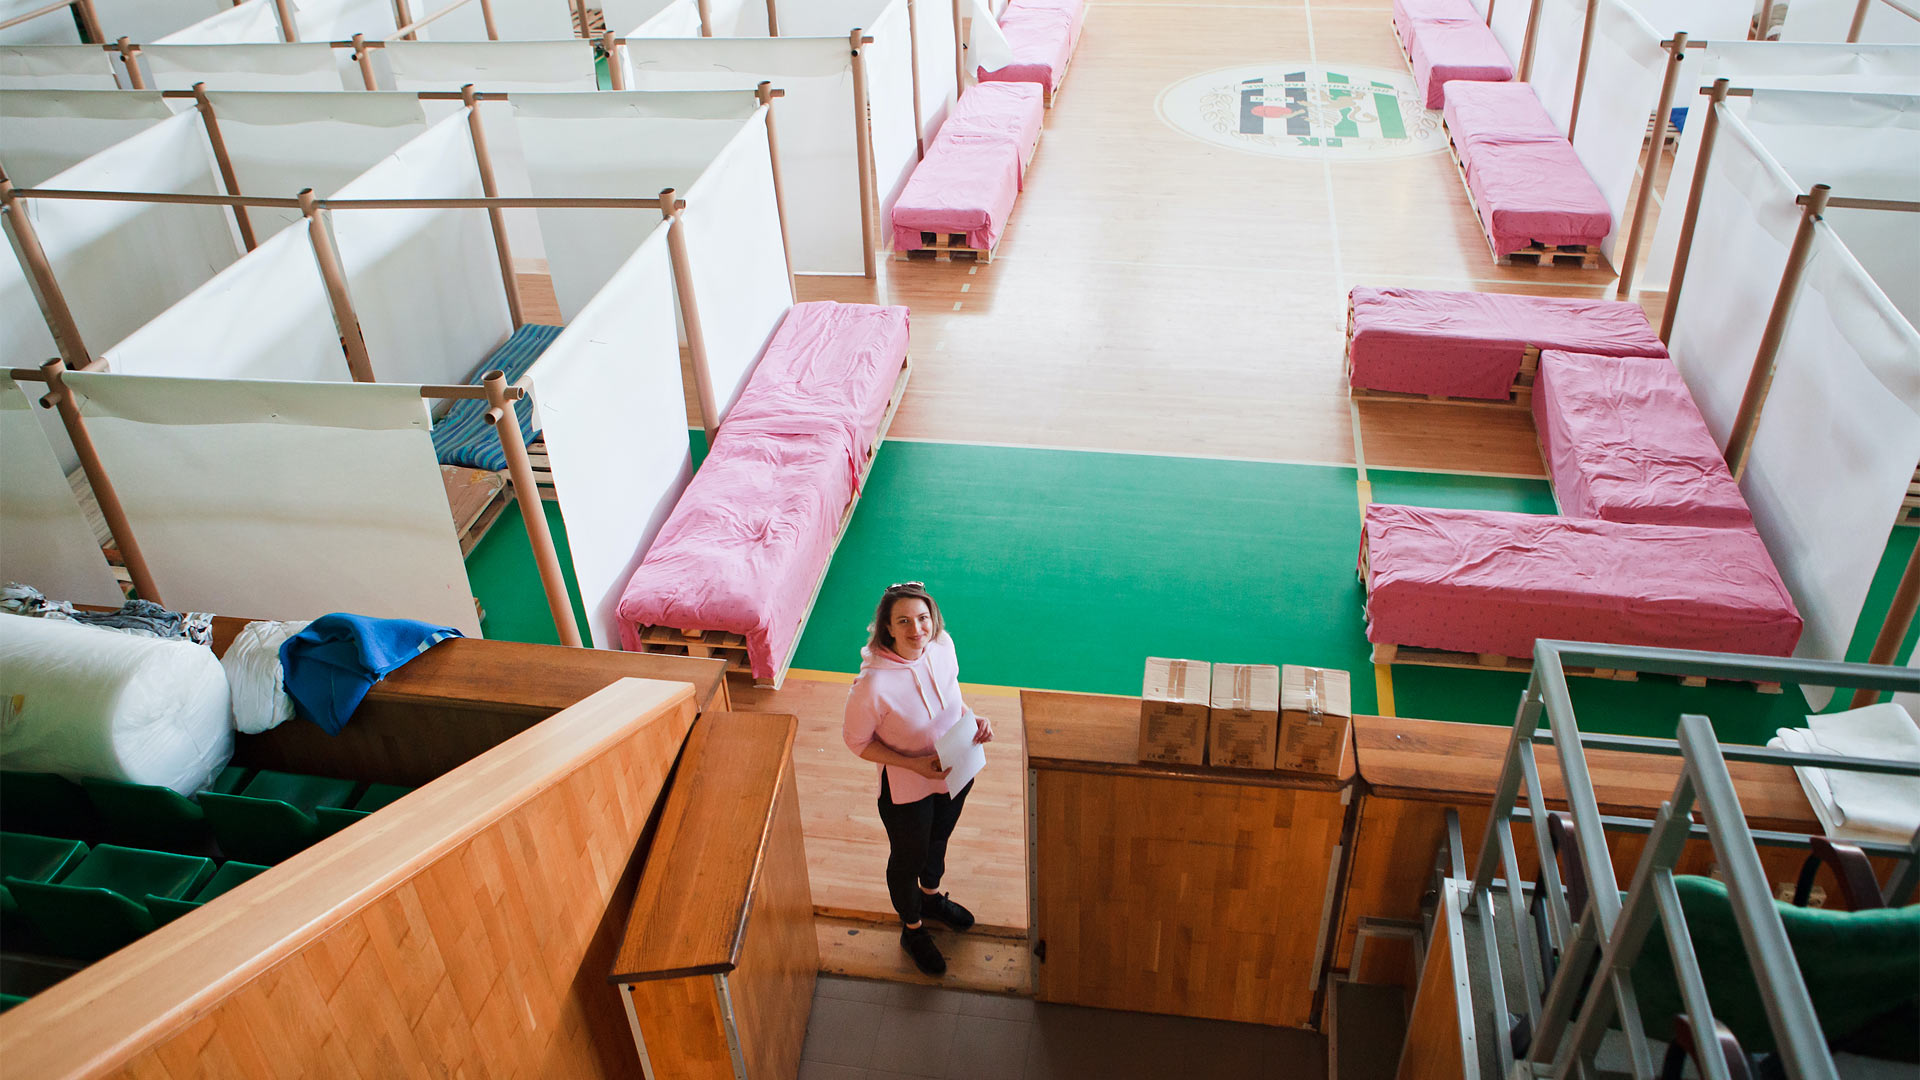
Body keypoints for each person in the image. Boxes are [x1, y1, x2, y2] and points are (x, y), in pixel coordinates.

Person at [842, 581, 993, 976]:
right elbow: (856, 742)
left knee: (938, 840)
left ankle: (930, 898)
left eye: (923, 618)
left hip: (956, 768)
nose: (917, 629)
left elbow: (951, 693)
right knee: (907, 859)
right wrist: (912, 765)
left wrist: (972, 717)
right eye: (904, 621)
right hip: (908, 788)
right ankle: (912, 928)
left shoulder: (942, 646)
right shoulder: (871, 686)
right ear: (887, 628)